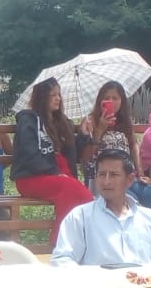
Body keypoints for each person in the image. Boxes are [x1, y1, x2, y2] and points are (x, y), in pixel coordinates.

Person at [50, 149, 151, 268]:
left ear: (130, 179)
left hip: (143, 287)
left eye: (114, 175)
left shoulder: (149, 219)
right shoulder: (80, 217)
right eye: (102, 174)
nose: (106, 182)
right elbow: (62, 260)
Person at [11, 78, 92, 240]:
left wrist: (83, 134)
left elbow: (73, 154)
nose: (58, 98)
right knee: (73, 190)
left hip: (60, 176)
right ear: (42, 98)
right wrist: (54, 171)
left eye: (59, 94)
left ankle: (78, 240)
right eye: (53, 95)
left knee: (84, 197)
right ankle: (60, 240)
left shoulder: (62, 122)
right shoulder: (29, 120)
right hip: (32, 177)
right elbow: (28, 152)